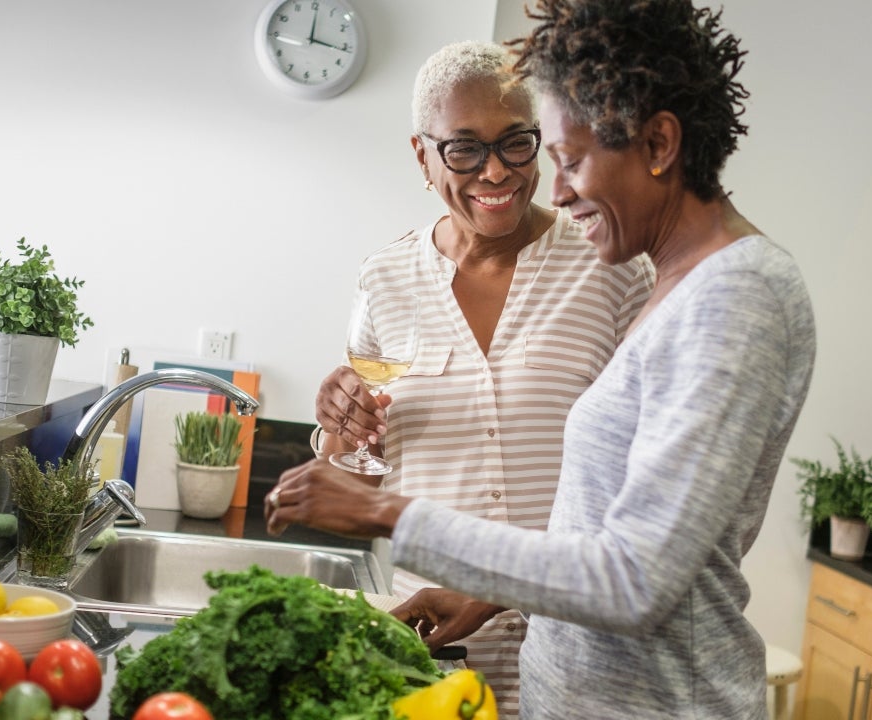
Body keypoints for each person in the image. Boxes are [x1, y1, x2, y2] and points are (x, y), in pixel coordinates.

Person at [268, 1, 816, 716]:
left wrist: (387, 513)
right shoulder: (684, 289)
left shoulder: (735, 297)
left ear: (658, 143)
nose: (552, 192)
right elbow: (613, 529)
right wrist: (487, 589)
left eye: (569, 158)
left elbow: (635, 581)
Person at [306, 40, 654, 717]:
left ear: (542, 143)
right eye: (463, 149)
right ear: (422, 156)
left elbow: (640, 480)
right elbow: (362, 471)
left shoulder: (609, 265)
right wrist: (339, 425)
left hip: (580, 663)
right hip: (432, 659)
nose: (494, 172)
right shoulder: (385, 281)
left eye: (515, 144)